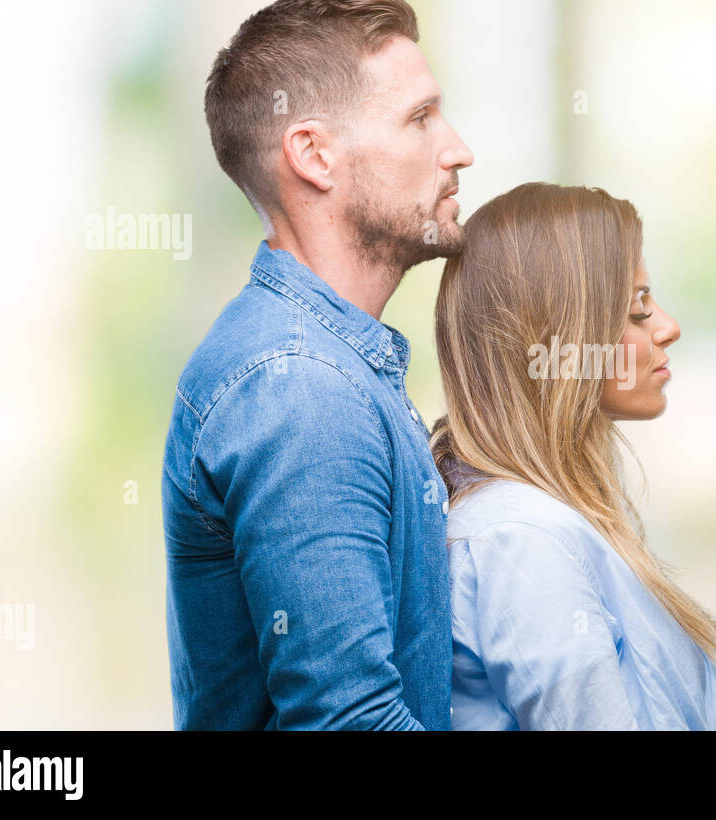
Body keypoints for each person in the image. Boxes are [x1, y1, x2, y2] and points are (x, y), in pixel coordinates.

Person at [161, 0, 473, 730]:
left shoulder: (327, 364)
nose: (457, 148)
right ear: (313, 155)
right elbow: (350, 721)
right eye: (420, 118)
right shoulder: (300, 387)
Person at [430, 182, 716, 730]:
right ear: (560, 338)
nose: (669, 327)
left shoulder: (546, 522)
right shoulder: (521, 540)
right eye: (638, 307)